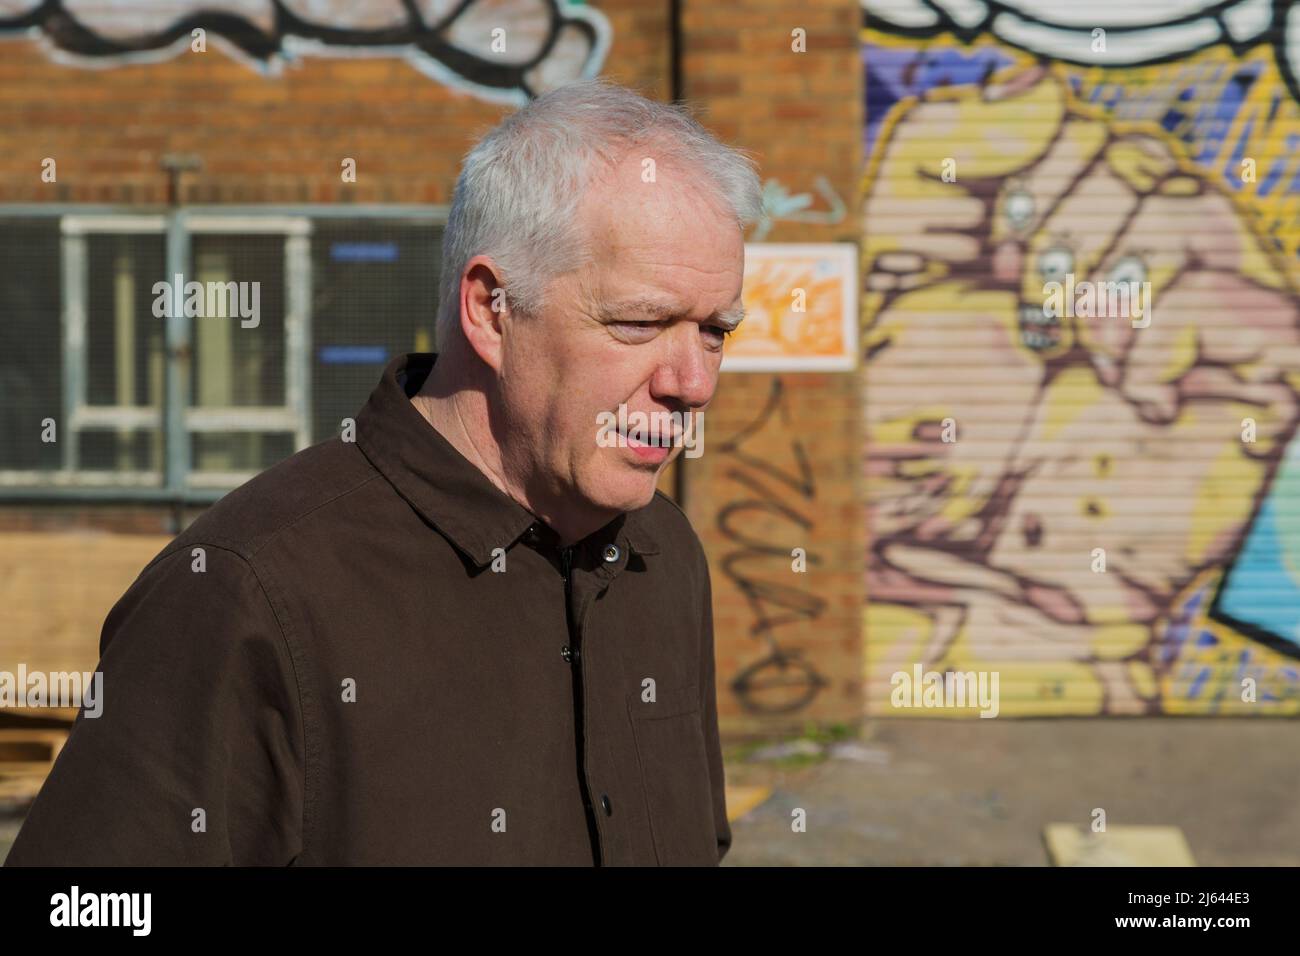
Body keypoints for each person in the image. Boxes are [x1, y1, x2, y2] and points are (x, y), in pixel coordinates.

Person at [5, 77, 762, 866]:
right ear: (490, 309)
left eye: (714, 332)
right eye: (640, 323)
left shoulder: (665, 556)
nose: (694, 382)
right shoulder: (246, 592)